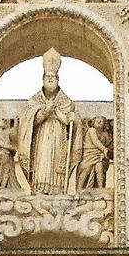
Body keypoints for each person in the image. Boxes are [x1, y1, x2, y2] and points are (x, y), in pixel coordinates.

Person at [15, 50, 78, 194]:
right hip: (41, 137)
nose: (50, 79)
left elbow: (71, 122)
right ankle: (38, 189)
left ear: (58, 80)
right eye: (48, 77)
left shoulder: (66, 101)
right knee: (43, 161)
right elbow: (29, 120)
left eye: (53, 77)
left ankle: (58, 190)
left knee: (55, 162)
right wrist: (44, 112)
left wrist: (68, 118)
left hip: (58, 135)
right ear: (42, 80)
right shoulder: (35, 100)